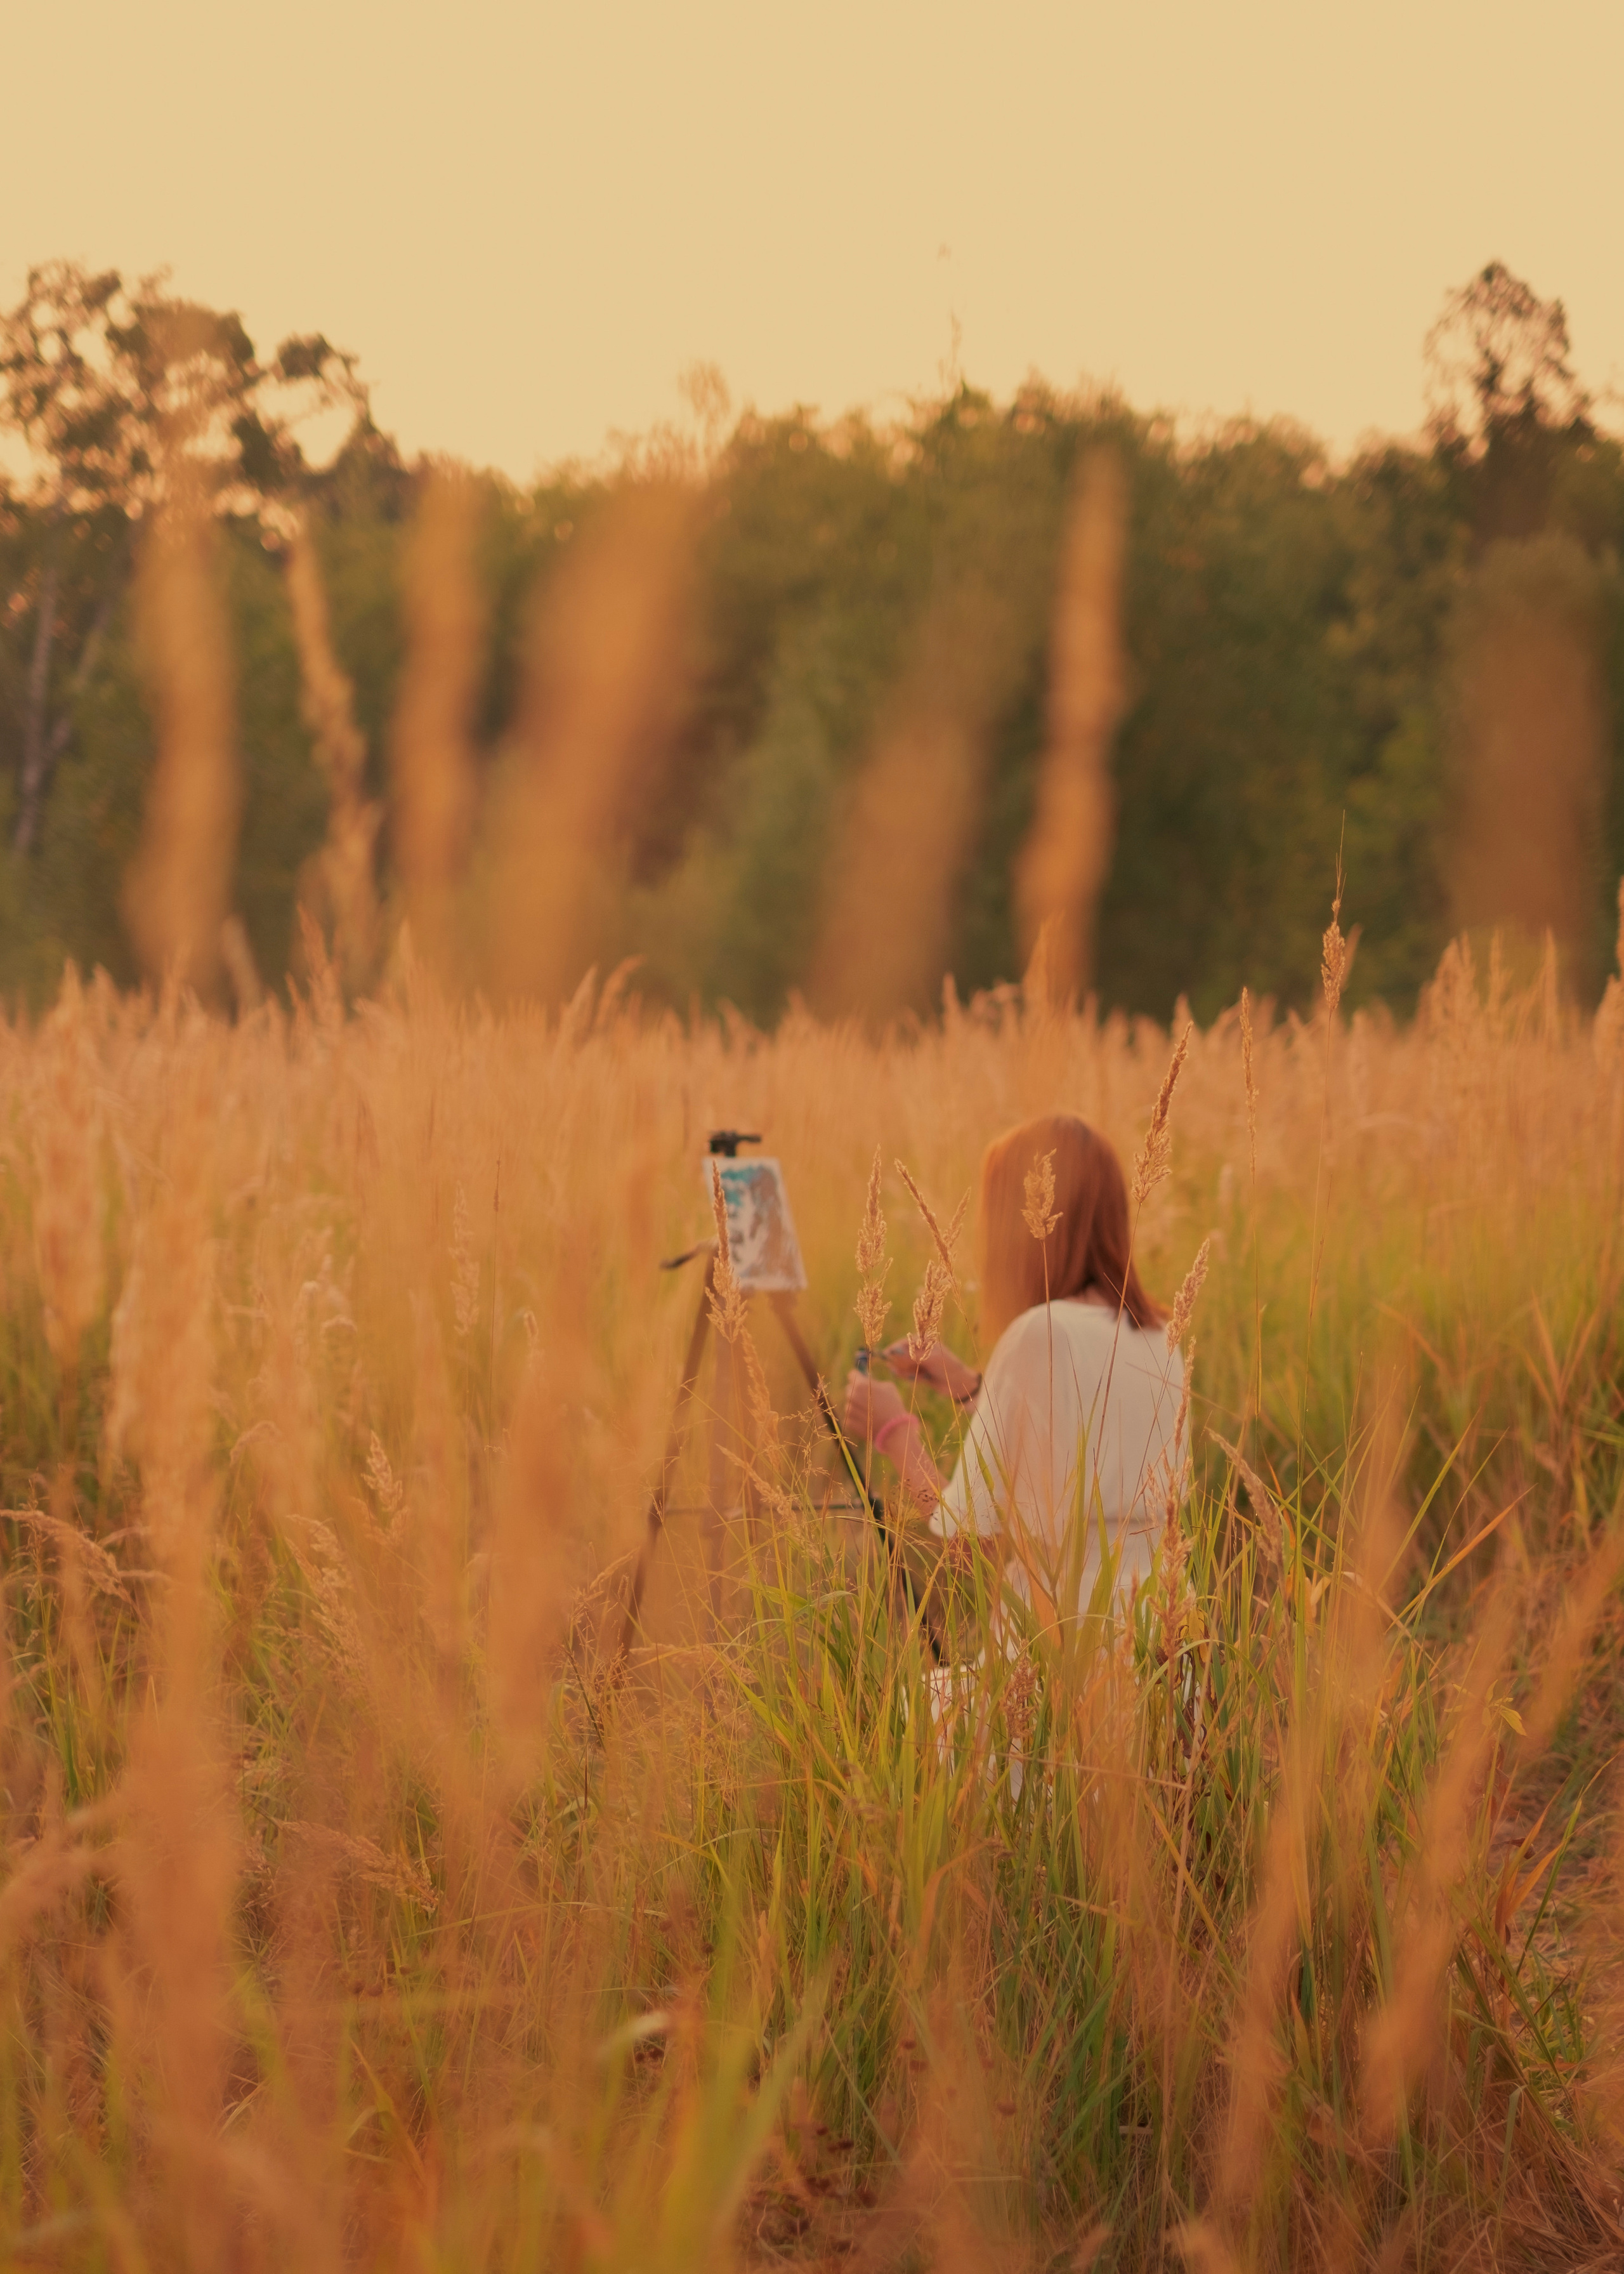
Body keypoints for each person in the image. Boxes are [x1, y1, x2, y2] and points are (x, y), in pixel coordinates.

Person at [843, 1113, 1186, 1624]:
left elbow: (970, 1548)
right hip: (1156, 1656)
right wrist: (968, 1388)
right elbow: (1067, 1454)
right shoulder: (1160, 1336)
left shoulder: (1039, 1334)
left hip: (1058, 1666)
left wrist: (893, 1433)